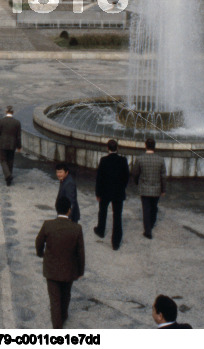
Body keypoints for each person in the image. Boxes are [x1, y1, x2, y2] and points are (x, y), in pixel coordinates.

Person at [35, 195, 85, 329]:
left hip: (51, 268)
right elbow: (80, 252)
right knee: (66, 294)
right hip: (69, 269)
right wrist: (80, 271)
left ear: (56, 209)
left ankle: (57, 327)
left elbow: (38, 242)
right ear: (69, 210)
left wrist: (41, 254)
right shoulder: (76, 228)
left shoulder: (48, 225)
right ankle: (63, 315)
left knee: (54, 299)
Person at [94, 139, 129, 250]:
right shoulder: (123, 160)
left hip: (105, 191)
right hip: (118, 192)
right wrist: (122, 188)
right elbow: (126, 177)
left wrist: (98, 193)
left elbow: (99, 178)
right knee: (117, 216)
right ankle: (116, 242)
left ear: (107, 148)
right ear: (117, 148)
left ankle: (101, 230)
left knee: (103, 211)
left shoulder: (103, 160)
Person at [131, 137, 167, 239]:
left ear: (145, 146)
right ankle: (151, 223)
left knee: (146, 209)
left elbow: (135, 173)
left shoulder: (140, 158)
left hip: (144, 188)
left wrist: (137, 182)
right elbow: (163, 176)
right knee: (154, 207)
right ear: (154, 147)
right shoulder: (160, 159)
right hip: (156, 189)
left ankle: (148, 231)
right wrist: (163, 190)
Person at [0, 105, 22, 185]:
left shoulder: (1, 121)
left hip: (2, 144)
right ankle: (9, 179)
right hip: (13, 144)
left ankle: (8, 175)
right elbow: (18, 136)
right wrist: (19, 146)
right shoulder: (17, 122)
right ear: (13, 112)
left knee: (2, 160)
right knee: (10, 160)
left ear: (6, 112)